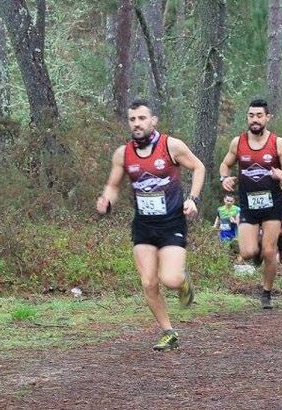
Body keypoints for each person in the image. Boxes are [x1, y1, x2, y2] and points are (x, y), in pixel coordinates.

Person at [96, 99, 205, 352]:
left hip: (171, 222)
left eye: (142, 118)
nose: (137, 124)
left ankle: (183, 282)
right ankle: (169, 332)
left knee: (171, 279)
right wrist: (106, 202)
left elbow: (198, 167)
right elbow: (113, 185)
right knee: (148, 282)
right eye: (132, 119)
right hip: (143, 225)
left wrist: (193, 198)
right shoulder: (123, 154)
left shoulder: (171, 146)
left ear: (153, 120)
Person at [219, 98, 282, 309]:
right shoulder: (238, 142)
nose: (255, 120)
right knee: (247, 252)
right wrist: (224, 178)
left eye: (259, 116)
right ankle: (257, 252)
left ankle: (266, 293)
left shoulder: (277, 143)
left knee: (270, 251)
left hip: (271, 204)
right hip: (248, 204)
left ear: (267, 118)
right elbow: (225, 164)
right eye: (251, 116)